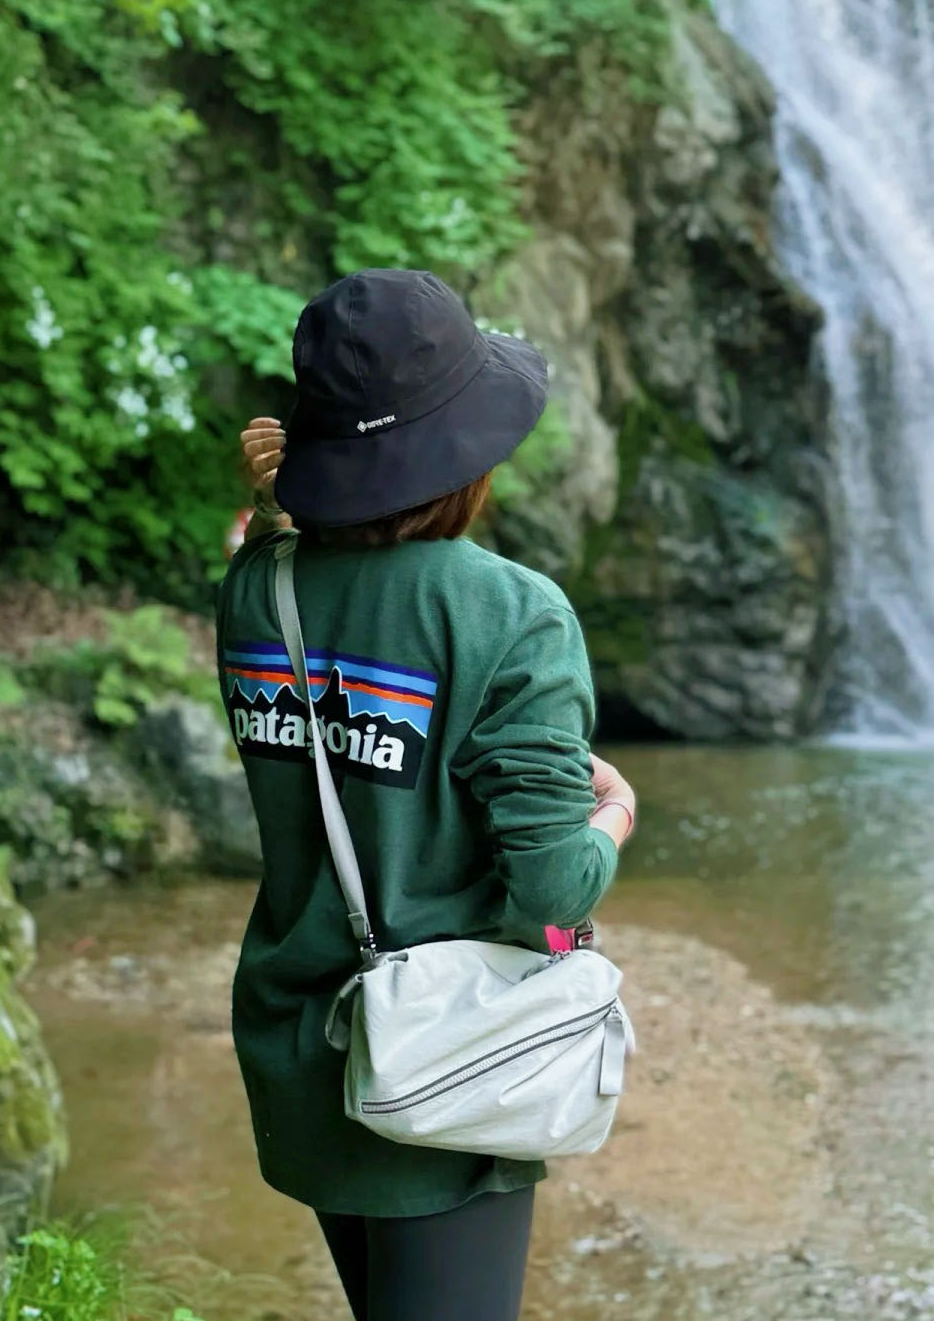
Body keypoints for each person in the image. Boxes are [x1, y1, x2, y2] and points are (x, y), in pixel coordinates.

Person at [217, 268, 637, 1321]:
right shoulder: (512, 614)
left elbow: (292, 563)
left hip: (303, 1043)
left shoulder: (257, 589)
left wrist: (282, 503)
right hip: (445, 1054)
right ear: (465, 451)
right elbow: (552, 891)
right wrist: (614, 816)